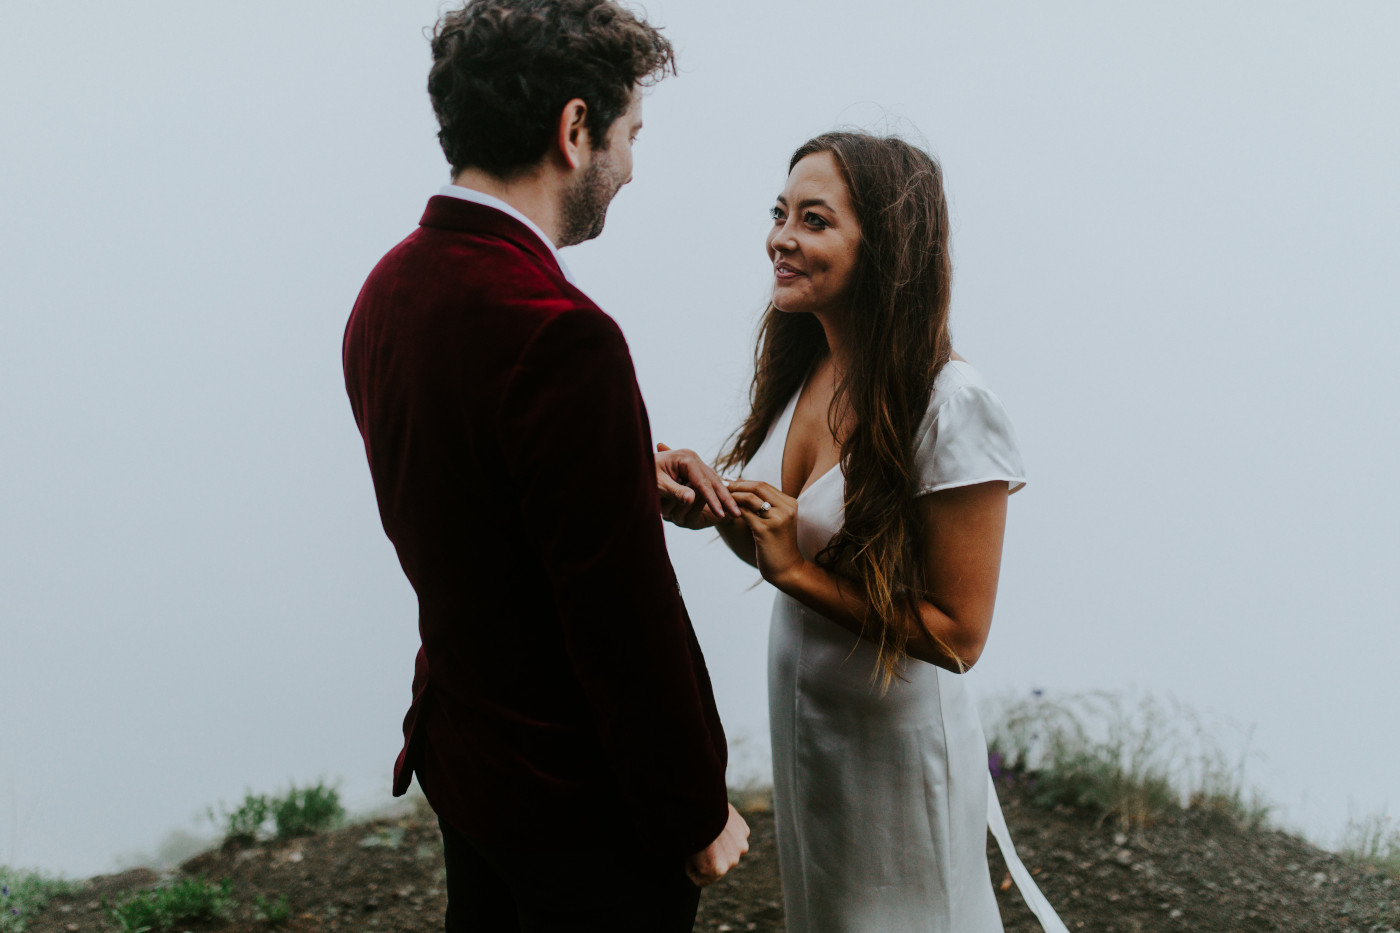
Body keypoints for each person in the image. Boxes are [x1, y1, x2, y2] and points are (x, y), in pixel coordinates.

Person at [341, 2, 748, 930]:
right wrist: (696, 807)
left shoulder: (385, 292)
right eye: (630, 134)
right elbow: (621, 620)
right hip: (581, 810)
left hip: (470, 767)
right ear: (575, 130)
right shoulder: (563, 337)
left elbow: (465, 489)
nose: (633, 164)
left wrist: (615, 470)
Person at [659, 132, 1062, 932]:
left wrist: (794, 576)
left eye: (814, 220)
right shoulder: (809, 366)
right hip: (812, 727)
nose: (782, 237)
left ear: (886, 246)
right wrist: (712, 507)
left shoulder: (953, 405)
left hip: (896, 749)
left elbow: (959, 635)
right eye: (780, 214)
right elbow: (791, 540)